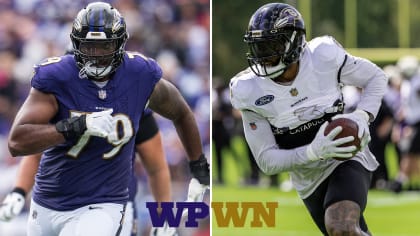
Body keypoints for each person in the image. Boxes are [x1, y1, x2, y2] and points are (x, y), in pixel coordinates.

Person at [7, 2, 209, 236]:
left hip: (106, 204)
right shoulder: (57, 78)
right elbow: (18, 143)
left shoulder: (138, 80)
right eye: (89, 47)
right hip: (47, 203)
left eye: (105, 46)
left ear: (120, 44)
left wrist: (197, 170)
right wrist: (76, 126)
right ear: (75, 45)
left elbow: (165, 149)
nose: (97, 55)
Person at [229, 3, 387, 235]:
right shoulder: (247, 89)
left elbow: (375, 77)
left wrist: (363, 116)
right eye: (258, 47)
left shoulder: (323, 56)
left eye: (270, 46)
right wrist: (312, 151)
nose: (262, 56)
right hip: (308, 178)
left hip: (346, 157)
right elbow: (266, 160)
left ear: (293, 42)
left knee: (341, 226)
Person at [0, 109, 176, 236]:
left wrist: (164, 218)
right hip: (60, 205)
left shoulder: (134, 102)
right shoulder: (58, 95)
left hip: (115, 207)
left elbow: (157, 167)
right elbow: (36, 155)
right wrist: (19, 191)